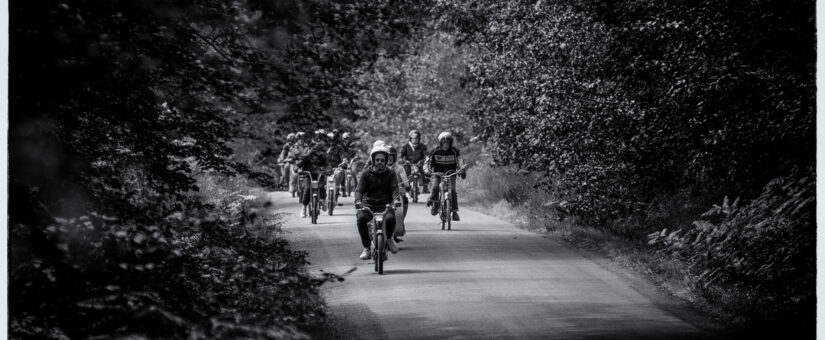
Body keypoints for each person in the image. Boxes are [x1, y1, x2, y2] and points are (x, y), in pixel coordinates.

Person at [354, 144, 401, 260]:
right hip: (368, 204)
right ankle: (366, 248)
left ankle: (389, 239)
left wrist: (396, 200)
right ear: (373, 160)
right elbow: (359, 189)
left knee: (391, 219)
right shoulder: (366, 174)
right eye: (377, 160)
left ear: (385, 161)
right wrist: (358, 201)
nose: (380, 162)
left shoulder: (391, 173)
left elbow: (395, 189)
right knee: (361, 219)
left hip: (386, 204)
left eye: (382, 160)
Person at [424, 131, 467, 221]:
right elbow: (427, 163)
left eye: (448, 142)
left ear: (450, 143)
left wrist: (462, 170)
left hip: (451, 174)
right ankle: (435, 204)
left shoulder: (455, 152)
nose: (446, 144)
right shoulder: (434, 151)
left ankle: (454, 212)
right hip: (437, 174)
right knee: (435, 187)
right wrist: (427, 171)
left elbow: (460, 162)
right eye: (444, 142)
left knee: (453, 191)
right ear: (440, 143)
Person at [296, 132, 329, 218]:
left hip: (319, 175)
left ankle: (324, 200)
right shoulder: (307, 155)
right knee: (307, 189)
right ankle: (304, 208)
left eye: (316, 146)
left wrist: (327, 170)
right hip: (308, 175)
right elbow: (299, 164)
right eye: (312, 146)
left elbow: (327, 164)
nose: (314, 148)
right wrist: (298, 169)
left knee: (322, 187)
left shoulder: (322, 155)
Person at [386, 145, 410, 242]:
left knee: (404, 200)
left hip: (397, 193)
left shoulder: (399, 168)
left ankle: (400, 222)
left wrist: (407, 185)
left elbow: (404, 178)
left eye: (391, 156)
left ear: (395, 157)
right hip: (381, 194)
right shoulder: (378, 167)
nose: (389, 158)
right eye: (387, 156)